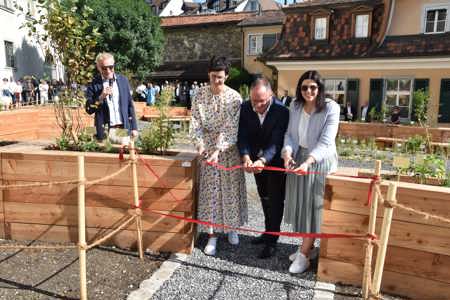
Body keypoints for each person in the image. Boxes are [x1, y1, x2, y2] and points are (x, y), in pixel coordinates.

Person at [282, 70, 339, 274]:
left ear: (320, 88)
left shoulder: (331, 108)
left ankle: (304, 255)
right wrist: (287, 154)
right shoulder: (295, 105)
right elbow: (289, 134)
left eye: (313, 87)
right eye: (304, 87)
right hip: (299, 158)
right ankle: (308, 247)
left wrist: (308, 161)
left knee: (314, 208)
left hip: (319, 161)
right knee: (302, 206)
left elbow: (326, 142)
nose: (308, 91)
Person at [190, 56, 247, 256]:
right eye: (214, 76)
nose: (217, 81)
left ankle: (231, 228)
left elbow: (232, 127)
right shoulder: (199, 95)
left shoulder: (234, 98)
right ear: (208, 74)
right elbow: (195, 122)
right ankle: (212, 235)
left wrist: (218, 149)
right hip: (207, 149)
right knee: (211, 193)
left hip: (228, 150)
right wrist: (200, 146)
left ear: (227, 76)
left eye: (221, 77)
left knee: (230, 190)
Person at [237, 77, 289, 259]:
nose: (257, 105)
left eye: (262, 101)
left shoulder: (281, 111)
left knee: (275, 201)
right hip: (254, 162)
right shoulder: (244, 107)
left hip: (273, 162)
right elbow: (242, 134)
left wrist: (263, 160)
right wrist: (245, 156)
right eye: (254, 100)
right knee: (264, 197)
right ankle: (267, 232)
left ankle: (273, 240)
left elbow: (277, 141)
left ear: (271, 95)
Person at [85, 52, 138, 144]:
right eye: (104, 68)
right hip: (105, 130)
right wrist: (101, 97)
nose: (108, 70)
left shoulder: (123, 80)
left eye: (111, 67)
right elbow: (90, 109)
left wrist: (134, 127)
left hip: (122, 129)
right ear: (98, 68)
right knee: (106, 157)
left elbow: (130, 105)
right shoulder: (93, 84)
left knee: (123, 156)